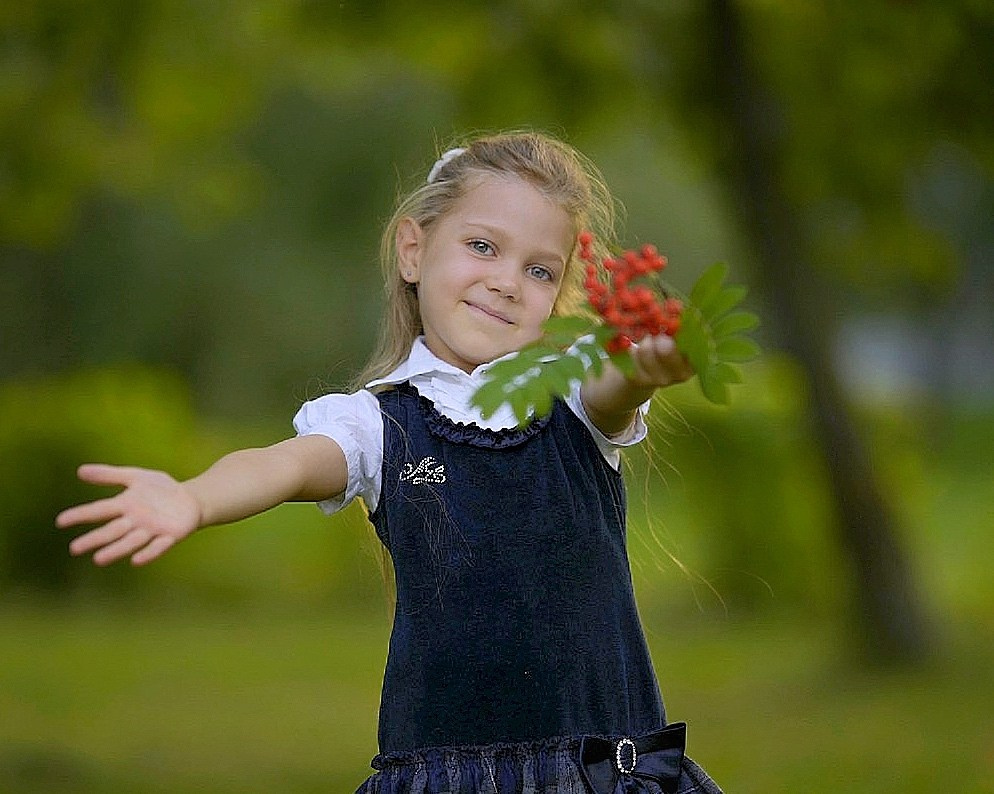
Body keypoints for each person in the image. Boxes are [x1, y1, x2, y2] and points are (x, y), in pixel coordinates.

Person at [56, 131, 723, 794]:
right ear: (414, 250)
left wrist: (646, 369)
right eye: (482, 246)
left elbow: (615, 389)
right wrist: (193, 499)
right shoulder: (377, 425)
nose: (506, 282)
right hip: (450, 778)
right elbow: (282, 464)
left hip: (599, 773)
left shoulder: (573, 395)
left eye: (539, 270)